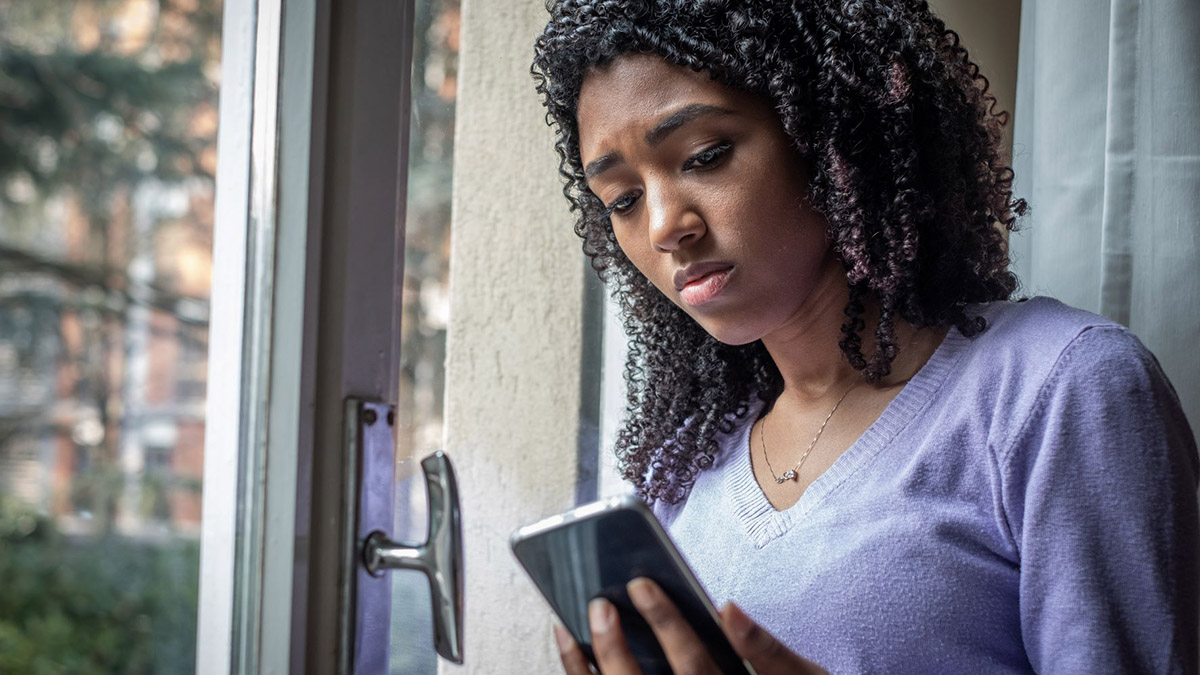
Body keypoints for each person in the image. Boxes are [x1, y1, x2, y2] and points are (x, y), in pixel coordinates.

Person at [531, 1, 1200, 673]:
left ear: (831, 135)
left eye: (705, 156)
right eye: (621, 199)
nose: (662, 226)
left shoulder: (1059, 387)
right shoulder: (687, 472)